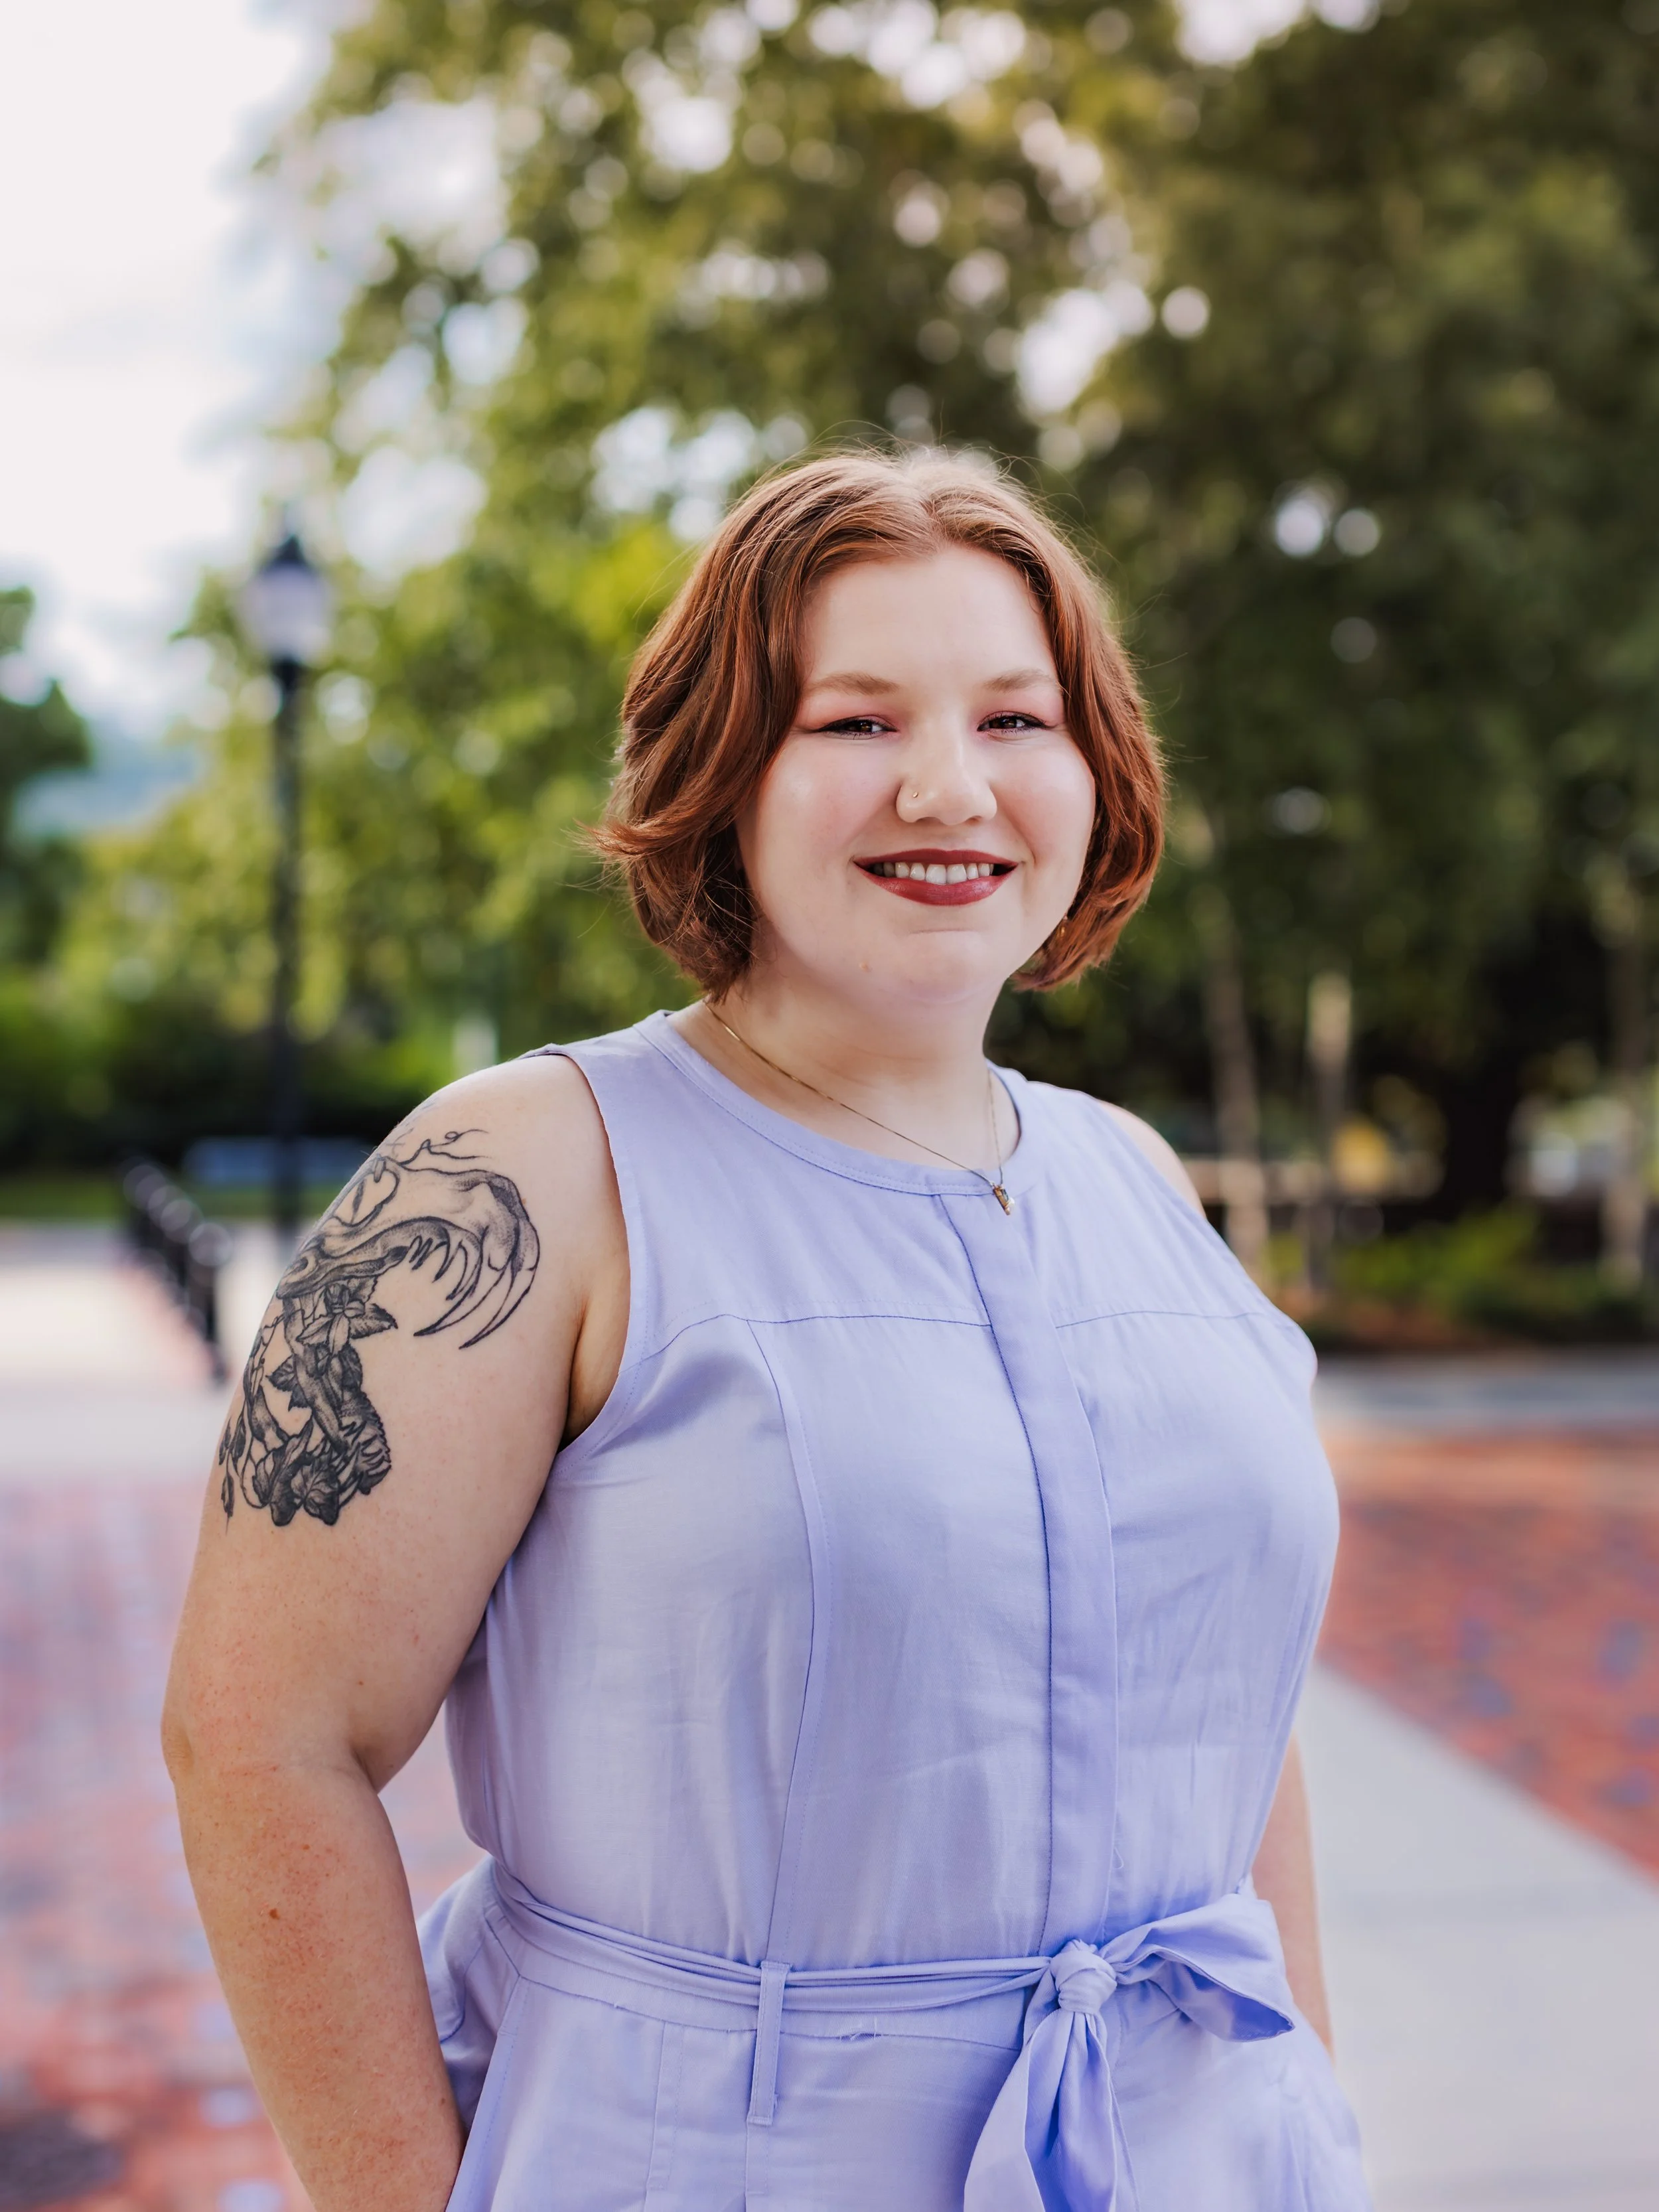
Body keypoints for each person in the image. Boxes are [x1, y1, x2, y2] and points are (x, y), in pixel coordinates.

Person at [163, 453, 1370, 2211]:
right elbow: (260, 1737)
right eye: (857, 722)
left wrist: (1314, 2127)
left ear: (1095, 770)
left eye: (1014, 716)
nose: (947, 786)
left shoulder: (1136, 1180)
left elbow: (1229, 1731)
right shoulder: (530, 1170)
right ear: (720, 767)